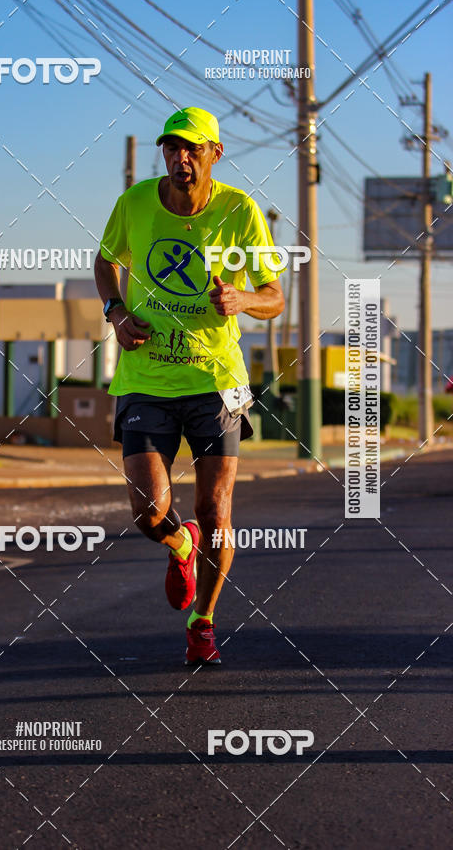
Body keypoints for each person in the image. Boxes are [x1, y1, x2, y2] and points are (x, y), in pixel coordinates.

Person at [94, 107, 284, 665]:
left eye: (192, 149)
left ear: (214, 155)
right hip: (146, 377)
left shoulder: (239, 210)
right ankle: (181, 542)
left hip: (215, 381)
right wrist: (116, 311)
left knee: (216, 509)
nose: (181, 158)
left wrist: (241, 299)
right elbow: (105, 263)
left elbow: (274, 296)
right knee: (149, 510)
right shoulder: (134, 204)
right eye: (172, 149)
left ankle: (203, 620)